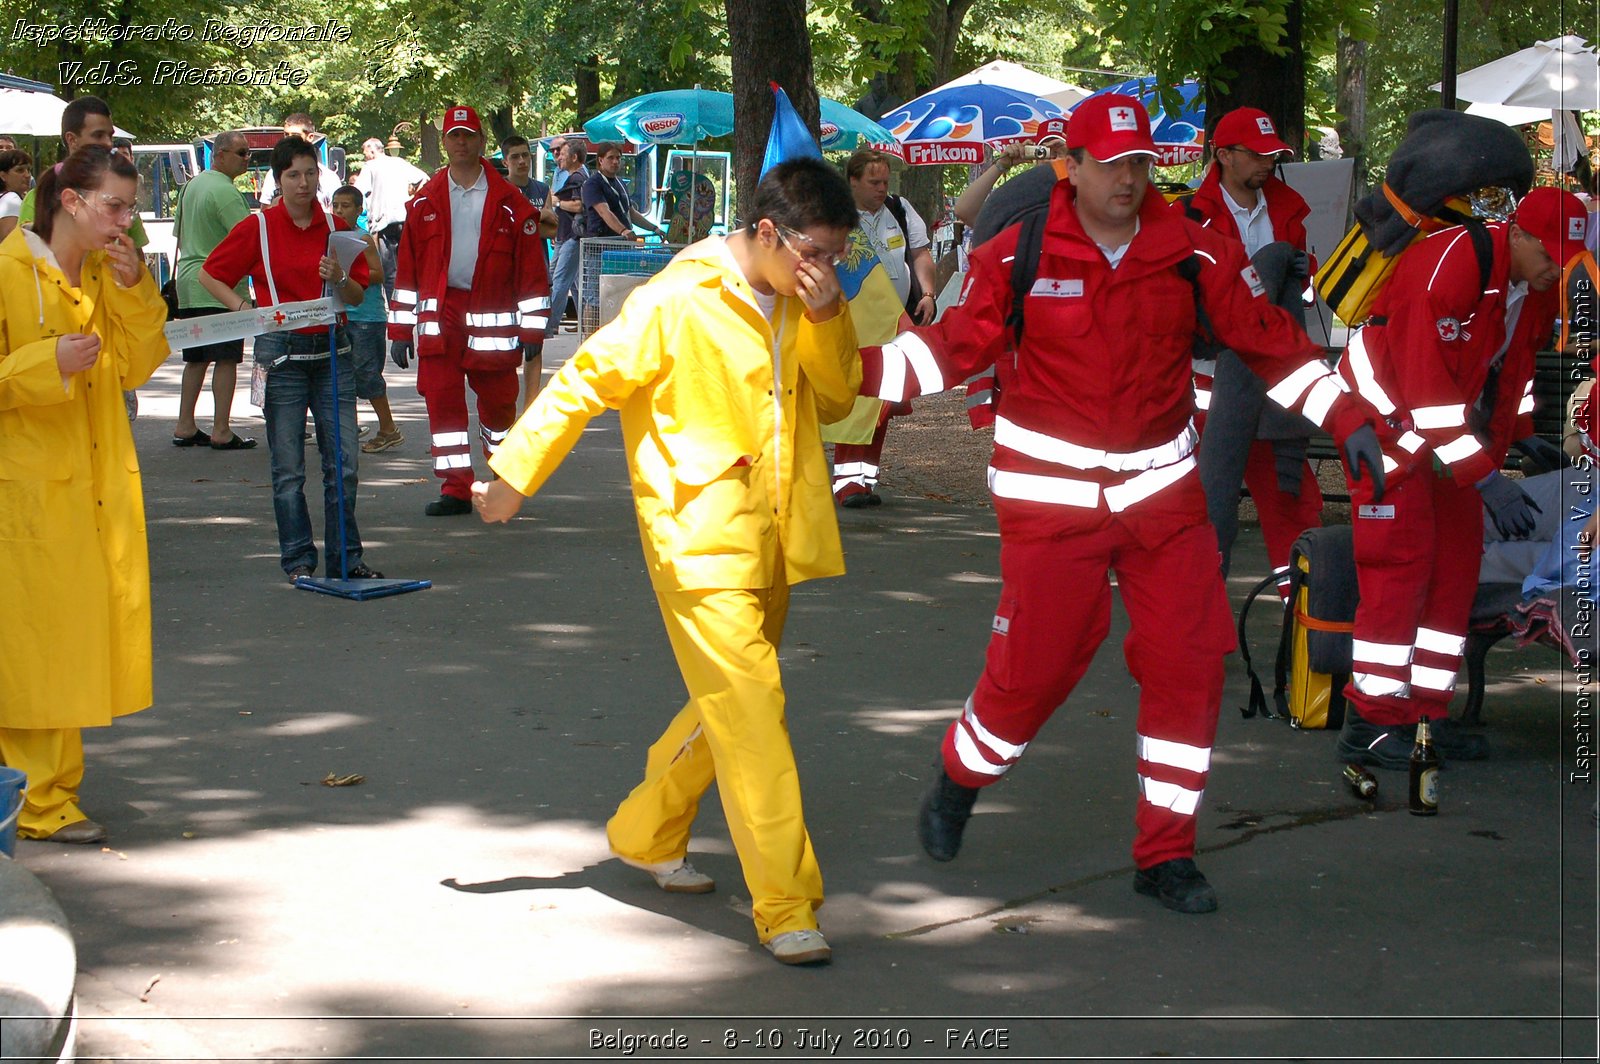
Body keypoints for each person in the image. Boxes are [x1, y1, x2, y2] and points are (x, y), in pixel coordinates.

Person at [858, 95, 1386, 913]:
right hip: (1052, 512)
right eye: (1110, 163)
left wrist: (1347, 415)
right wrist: (845, 376)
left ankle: (1165, 853)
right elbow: (949, 352)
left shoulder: (1193, 251)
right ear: (1070, 166)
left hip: (1163, 504)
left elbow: (1269, 341)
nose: (1129, 179)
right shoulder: (1017, 251)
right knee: (1032, 676)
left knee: (1187, 666)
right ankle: (962, 775)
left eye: (1141, 163)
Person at [472, 158, 860, 966]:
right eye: (814, 254)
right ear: (766, 232)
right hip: (697, 540)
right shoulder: (675, 299)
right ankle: (786, 904)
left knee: (729, 705)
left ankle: (646, 831)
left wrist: (830, 317)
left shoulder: (805, 297)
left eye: (835, 255)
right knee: (755, 715)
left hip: (778, 533)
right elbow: (584, 379)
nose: (824, 269)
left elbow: (837, 396)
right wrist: (515, 473)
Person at [1332, 186, 1585, 769]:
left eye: (1566, 259)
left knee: (1453, 574)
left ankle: (1426, 718)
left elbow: (1512, 369)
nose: (1556, 269)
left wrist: (1519, 436)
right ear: (1516, 234)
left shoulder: (1534, 286)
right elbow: (1426, 392)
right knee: (1399, 576)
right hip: (1384, 432)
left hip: (1448, 442)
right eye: (1548, 255)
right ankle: (1371, 722)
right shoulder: (1451, 264)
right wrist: (1487, 478)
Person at [0, 146, 172, 843]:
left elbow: (137, 365)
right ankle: (36, 801)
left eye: (129, 208)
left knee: (67, 642)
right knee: (37, 645)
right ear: (71, 201)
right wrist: (47, 362)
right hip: (29, 488)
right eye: (115, 206)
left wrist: (135, 291)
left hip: (95, 484)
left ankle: (50, 794)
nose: (126, 221)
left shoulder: (105, 271)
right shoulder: (9, 270)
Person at [200, 136, 380, 581]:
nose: (303, 183)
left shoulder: (337, 229)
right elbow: (210, 274)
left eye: (310, 173)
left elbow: (357, 293)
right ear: (278, 181)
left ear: (320, 175)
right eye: (293, 175)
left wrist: (339, 277)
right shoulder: (259, 226)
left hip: (333, 353)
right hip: (280, 356)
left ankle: (346, 559)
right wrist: (247, 313)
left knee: (344, 464)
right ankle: (299, 560)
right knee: (288, 470)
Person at [1178, 107, 1323, 595]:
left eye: (1273, 154)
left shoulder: (1288, 208)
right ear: (1223, 156)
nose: (1267, 163)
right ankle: (1200, 616)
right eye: (1257, 154)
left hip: (1276, 381)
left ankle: (1304, 617)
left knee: (1293, 500)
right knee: (1204, 505)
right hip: (1209, 383)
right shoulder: (1188, 217)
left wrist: (1305, 276)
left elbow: (1301, 299)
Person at [387, 105, 550, 516]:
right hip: (440, 318)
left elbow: (532, 272)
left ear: (480, 142)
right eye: (454, 136)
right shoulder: (423, 203)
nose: (461, 143)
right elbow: (407, 272)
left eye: (468, 136)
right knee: (442, 402)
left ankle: (500, 478)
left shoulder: (510, 202)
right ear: (445, 143)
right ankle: (455, 488)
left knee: (498, 405)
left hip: (493, 318)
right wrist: (400, 330)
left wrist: (532, 332)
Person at [828, 149, 938, 507]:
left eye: (885, 181)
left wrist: (928, 293)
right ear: (852, 181)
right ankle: (846, 484)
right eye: (873, 182)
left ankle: (865, 479)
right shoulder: (836, 216)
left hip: (893, 325)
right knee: (859, 401)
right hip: (853, 325)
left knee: (882, 404)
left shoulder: (901, 210)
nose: (881, 188)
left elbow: (920, 253)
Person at [170, 129, 256, 450]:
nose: (248, 158)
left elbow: (180, 233)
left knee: (196, 359)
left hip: (190, 283)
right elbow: (247, 239)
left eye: (248, 153)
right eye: (242, 153)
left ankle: (185, 424)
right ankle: (221, 429)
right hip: (220, 286)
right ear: (220, 155)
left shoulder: (191, 186)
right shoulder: (227, 193)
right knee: (226, 359)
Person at [330, 185, 404, 453]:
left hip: (367, 318)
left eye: (345, 206)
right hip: (343, 316)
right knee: (342, 375)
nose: (339, 211)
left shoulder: (363, 238)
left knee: (367, 374)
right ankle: (349, 428)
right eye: (335, 205)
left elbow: (378, 274)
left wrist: (345, 274)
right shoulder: (332, 237)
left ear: (359, 210)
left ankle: (388, 428)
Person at [502, 134, 557, 411]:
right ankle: (506, 403)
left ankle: (530, 407)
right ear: (506, 161)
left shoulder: (541, 188)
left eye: (525, 155)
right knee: (508, 343)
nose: (522, 161)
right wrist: (538, 218)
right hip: (507, 278)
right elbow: (508, 231)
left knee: (535, 346)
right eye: (515, 156)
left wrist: (528, 221)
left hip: (538, 276)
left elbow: (552, 227)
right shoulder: (500, 190)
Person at [952, 117, 1069, 228]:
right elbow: (965, 212)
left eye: (1058, 151)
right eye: (1044, 151)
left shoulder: (1082, 200)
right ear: (1034, 153)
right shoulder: (1022, 201)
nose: (1050, 158)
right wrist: (1001, 165)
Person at [352, 136, 428, 303]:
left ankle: (396, 307)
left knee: (389, 271)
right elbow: (424, 178)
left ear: (372, 151)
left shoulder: (370, 166)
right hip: (406, 220)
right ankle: (414, 303)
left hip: (384, 223)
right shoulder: (399, 162)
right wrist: (414, 195)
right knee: (409, 266)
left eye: (365, 153)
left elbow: (356, 193)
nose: (365, 157)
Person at [544, 138, 589, 337]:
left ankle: (546, 325)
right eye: (555, 151)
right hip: (563, 235)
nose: (557, 155)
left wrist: (557, 203)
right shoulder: (570, 175)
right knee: (558, 279)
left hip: (572, 237)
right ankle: (556, 322)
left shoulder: (577, 177)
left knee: (560, 280)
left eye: (561, 152)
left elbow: (579, 206)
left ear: (574, 157)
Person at [581, 142, 664, 243]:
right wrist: (623, 230)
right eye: (610, 158)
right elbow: (604, 211)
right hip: (600, 244)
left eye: (618, 158)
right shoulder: (592, 183)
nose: (615, 161)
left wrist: (654, 229)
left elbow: (631, 212)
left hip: (622, 242)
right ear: (600, 160)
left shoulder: (620, 182)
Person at [258, 114, 341, 208]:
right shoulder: (273, 173)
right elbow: (265, 209)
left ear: (310, 137)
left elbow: (336, 213)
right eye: (286, 135)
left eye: (310, 174)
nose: (289, 139)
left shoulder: (330, 178)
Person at [0, 148, 32, 241]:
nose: (27, 175)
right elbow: (11, 240)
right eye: (20, 170)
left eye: (29, 170)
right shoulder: (11, 199)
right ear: (3, 176)